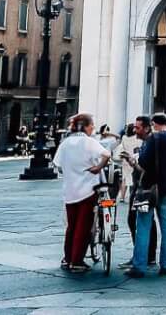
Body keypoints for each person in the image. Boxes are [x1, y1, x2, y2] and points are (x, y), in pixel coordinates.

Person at [125, 113, 166, 279]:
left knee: (143, 226)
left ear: (154, 124)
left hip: (149, 188)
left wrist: (132, 161)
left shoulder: (153, 138)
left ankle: (139, 266)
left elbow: (143, 162)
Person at [53, 113, 111, 273]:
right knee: (83, 226)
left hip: (70, 190)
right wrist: (98, 167)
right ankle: (77, 261)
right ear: (85, 126)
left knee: (71, 226)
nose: (93, 127)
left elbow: (57, 164)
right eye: (91, 124)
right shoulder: (89, 142)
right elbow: (107, 154)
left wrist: (72, 169)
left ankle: (68, 258)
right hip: (88, 190)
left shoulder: (65, 143)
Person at [118, 116, 157, 270]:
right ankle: (146, 256)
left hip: (144, 187)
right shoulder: (148, 142)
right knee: (140, 221)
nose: (135, 130)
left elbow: (145, 169)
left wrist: (133, 162)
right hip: (140, 186)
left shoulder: (150, 143)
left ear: (147, 128)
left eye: (138, 127)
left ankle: (142, 257)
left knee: (137, 221)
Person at [116, 123, 142, 203]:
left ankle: (122, 197)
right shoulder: (137, 138)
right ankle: (132, 196)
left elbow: (122, 147)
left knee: (125, 179)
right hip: (134, 159)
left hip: (125, 159)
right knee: (133, 179)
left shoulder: (124, 138)